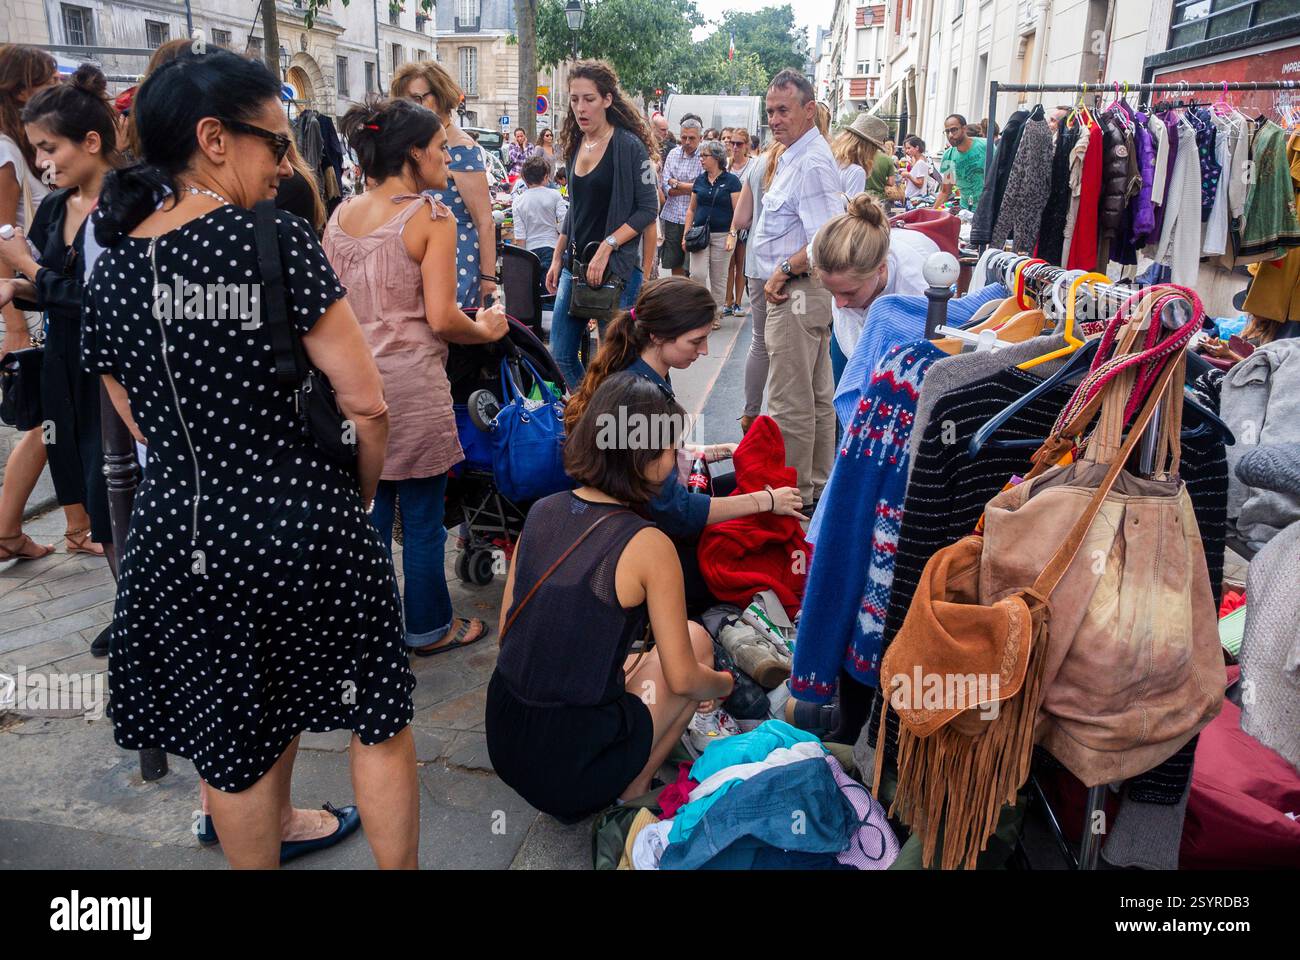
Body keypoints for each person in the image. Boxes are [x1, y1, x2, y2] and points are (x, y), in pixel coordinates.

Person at [85, 48, 418, 869]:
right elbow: (367, 403)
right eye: (276, 142)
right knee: (376, 716)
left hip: (177, 533)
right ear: (214, 139)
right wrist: (358, 496)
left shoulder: (115, 264)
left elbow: (138, 422)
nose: (288, 163)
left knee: (234, 738)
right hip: (302, 522)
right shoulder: (272, 240)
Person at [486, 372, 736, 821]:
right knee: (696, 647)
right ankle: (632, 790)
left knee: (660, 655)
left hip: (506, 736)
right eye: (670, 448)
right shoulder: (647, 543)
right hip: (574, 767)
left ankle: (617, 770)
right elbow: (683, 679)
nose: (676, 457)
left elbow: (510, 635)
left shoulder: (542, 511)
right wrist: (723, 685)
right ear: (644, 458)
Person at [324, 95, 509, 658]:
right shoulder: (432, 216)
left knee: (372, 513)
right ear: (412, 154)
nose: (446, 160)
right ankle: (428, 627)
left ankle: (368, 630)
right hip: (411, 385)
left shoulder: (341, 216)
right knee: (425, 520)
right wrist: (489, 329)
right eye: (437, 149)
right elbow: (441, 318)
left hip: (351, 387)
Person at [563, 275, 804, 534]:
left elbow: (649, 449)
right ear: (657, 336)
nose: (704, 350)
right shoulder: (641, 396)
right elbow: (675, 511)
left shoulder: (641, 372)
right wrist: (767, 501)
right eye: (696, 340)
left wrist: (720, 450)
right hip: (640, 528)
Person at [0, 62, 118, 572]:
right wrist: (17, 289)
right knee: (82, 479)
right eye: (35, 151)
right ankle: (126, 603)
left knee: (115, 486)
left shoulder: (131, 205)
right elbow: (55, 287)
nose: (41, 162)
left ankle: (136, 605)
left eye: (49, 149)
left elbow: (105, 301)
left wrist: (27, 268)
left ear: (91, 141)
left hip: (111, 368)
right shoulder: (54, 207)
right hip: (65, 364)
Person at [752, 68, 844, 506]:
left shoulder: (809, 161)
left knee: (791, 402)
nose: (774, 119)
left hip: (797, 290)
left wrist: (782, 270)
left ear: (809, 110)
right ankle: (815, 492)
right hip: (800, 290)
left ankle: (794, 501)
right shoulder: (799, 155)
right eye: (770, 111)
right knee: (814, 397)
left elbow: (825, 237)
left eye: (783, 110)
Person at [544, 59, 658, 389]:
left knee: (615, 363)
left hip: (618, 272)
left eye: (589, 99)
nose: (580, 107)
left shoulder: (630, 147)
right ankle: (590, 413)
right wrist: (556, 257)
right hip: (574, 267)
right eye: (574, 99)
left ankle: (611, 427)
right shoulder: (574, 144)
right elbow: (575, 208)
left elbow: (648, 209)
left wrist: (609, 245)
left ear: (607, 99)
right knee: (561, 355)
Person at [0, 44, 71, 565]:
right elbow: (2, 235)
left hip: (32, 289)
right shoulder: (5, 149)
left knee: (53, 415)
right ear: (20, 88)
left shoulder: (18, 144)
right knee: (45, 417)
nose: (55, 84)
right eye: (46, 77)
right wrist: (16, 325)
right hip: (24, 295)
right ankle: (6, 530)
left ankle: (76, 523)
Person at [390, 62, 497, 309]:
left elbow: (485, 221)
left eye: (419, 98)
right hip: (419, 256)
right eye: (407, 101)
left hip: (456, 260)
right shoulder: (415, 145)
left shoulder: (461, 147)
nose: (413, 107)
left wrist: (488, 282)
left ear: (440, 95)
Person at [814, 194, 935, 383]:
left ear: (881, 268)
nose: (839, 303)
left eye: (849, 292)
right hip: (849, 331)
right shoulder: (826, 253)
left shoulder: (917, 289)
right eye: (831, 291)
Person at [682, 140, 741, 325]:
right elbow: (691, 209)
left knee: (719, 277)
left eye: (704, 156)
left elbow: (737, 211)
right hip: (700, 234)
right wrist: (686, 234)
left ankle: (714, 315)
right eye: (700, 155)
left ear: (716, 158)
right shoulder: (699, 180)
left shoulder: (732, 181)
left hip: (723, 234)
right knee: (697, 274)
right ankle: (700, 312)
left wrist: (732, 234)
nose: (701, 159)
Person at [512, 152, 568, 287]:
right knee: (551, 291)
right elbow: (564, 226)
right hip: (552, 249)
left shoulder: (518, 201)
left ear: (524, 178)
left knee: (533, 295)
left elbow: (520, 236)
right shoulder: (554, 195)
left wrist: (522, 262)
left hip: (530, 253)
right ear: (546, 176)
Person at [659, 117, 703, 278]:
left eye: (692, 138)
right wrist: (690, 187)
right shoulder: (673, 153)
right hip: (673, 216)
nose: (687, 142)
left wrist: (677, 184)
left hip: (695, 219)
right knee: (674, 262)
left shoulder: (704, 156)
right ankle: (678, 297)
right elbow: (666, 187)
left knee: (693, 266)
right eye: (684, 137)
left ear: (700, 138)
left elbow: (702, 187)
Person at [723, 128, 752, 317]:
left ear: (747, 146)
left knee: (741, 262)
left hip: (746, 220)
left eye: (739, 143)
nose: (734, 147)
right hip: (726, 218)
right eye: (732, 143)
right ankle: (727, 300)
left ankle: (738, 302)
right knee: (728, 262)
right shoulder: (725, 165)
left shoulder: (753, 165)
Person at [935, 113, 987, 212]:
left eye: (954, 130)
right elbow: (946, 191)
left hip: (988, 210)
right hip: (966, 209)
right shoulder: (948, 156)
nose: (950, 135)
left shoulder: (985, 146)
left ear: (964, 129)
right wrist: (931, 213)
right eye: (947, 131)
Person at [901, 135, 934, 200]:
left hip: (915, 200)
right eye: (906, 148)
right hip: (913, 199)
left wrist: (908, 175)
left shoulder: (920, 163)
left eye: (909, 148)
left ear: (917, 148)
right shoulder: (918, 161)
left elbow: (920, 184)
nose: (906, 151)